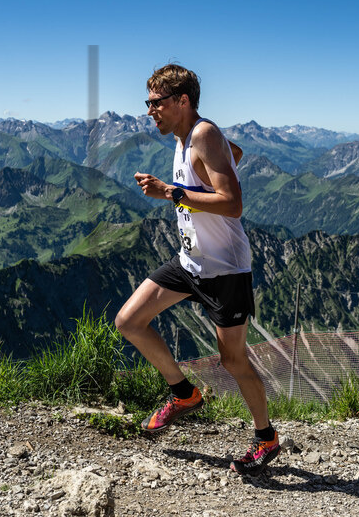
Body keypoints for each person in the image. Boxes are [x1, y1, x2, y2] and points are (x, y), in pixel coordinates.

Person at [114, 64, 280, 476]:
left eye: (156, 102)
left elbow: (233, 203)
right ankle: (184, 393)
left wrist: (170, 192)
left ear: (182, 101)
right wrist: (218, 165)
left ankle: (266, 438)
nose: (149, 110)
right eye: (148, 102)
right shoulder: (186, 137)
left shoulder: (203, 133)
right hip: (190, 263)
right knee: (129, 321)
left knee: (233, 361)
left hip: (224, 269)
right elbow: (231, 156)